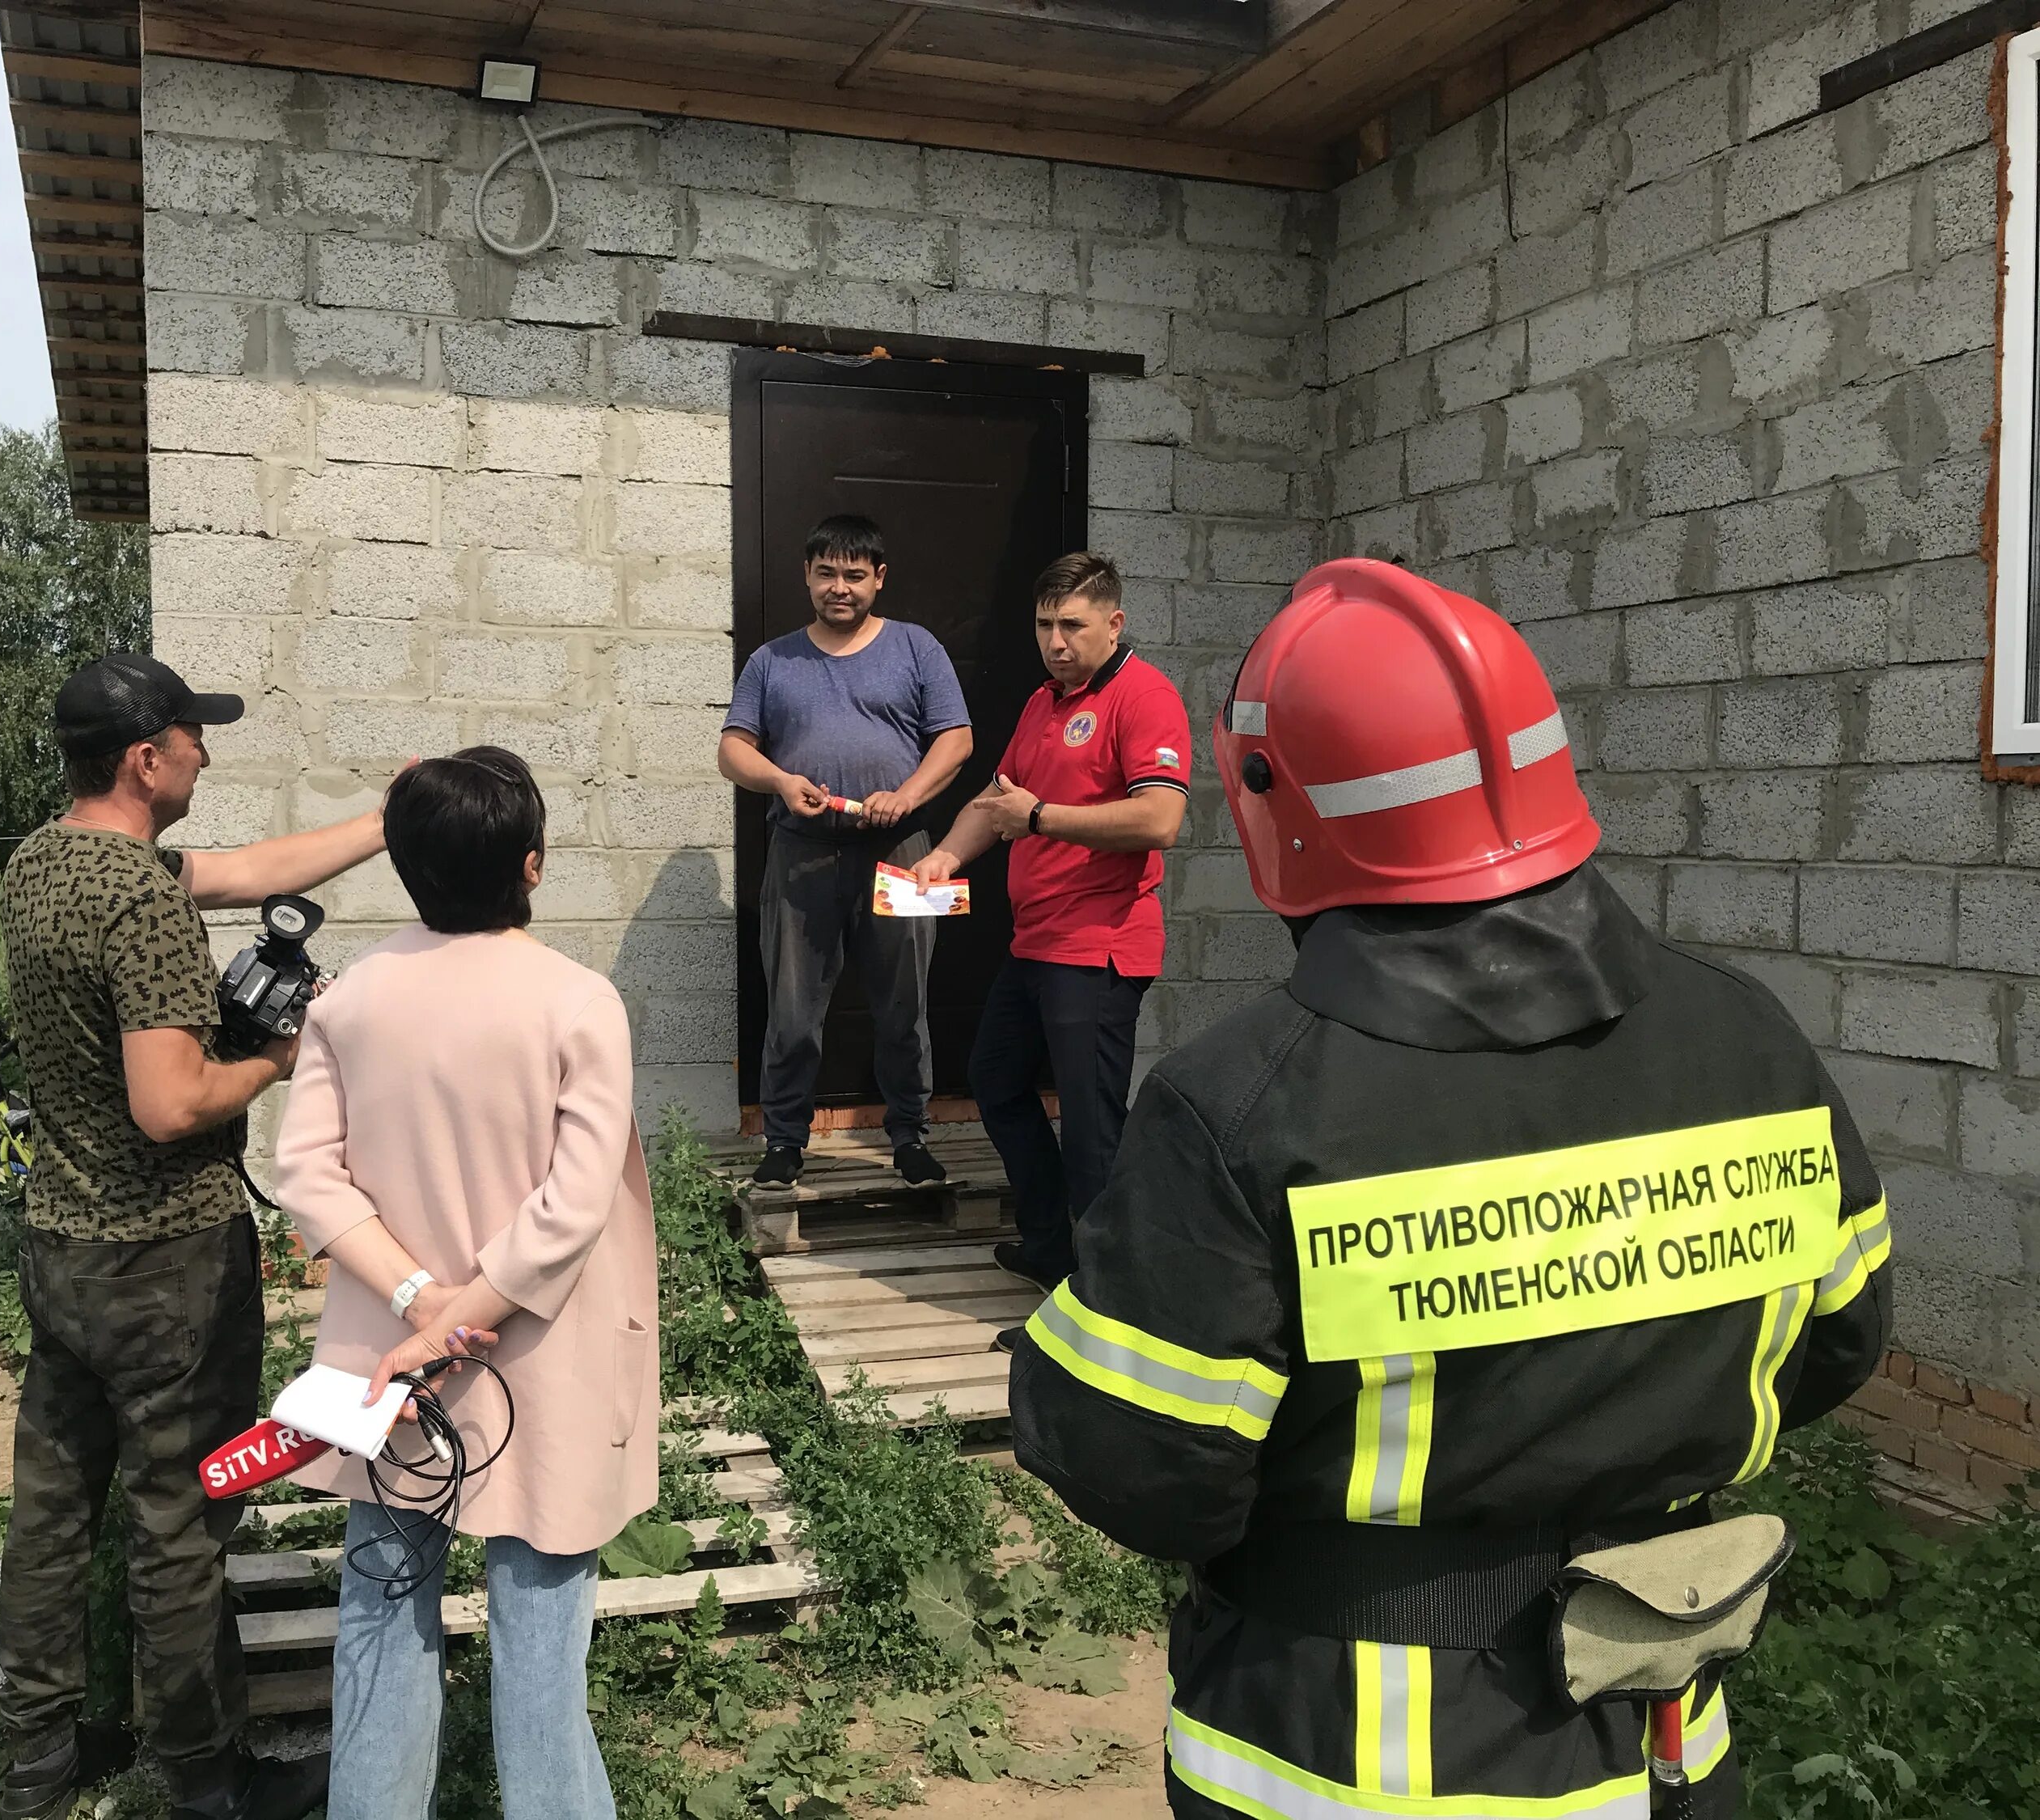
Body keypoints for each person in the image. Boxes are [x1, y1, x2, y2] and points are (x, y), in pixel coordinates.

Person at [1009, 559, 1893, 1820]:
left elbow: (1141, 1461)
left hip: (1344, 1757)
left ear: (1275, 800)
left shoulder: (1241, 1105)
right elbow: (1840, 1342)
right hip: (1662, 1742)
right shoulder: (1752, 1040)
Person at [0, 653, 395, 1820]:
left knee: (54, 1502)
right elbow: (170, 1104)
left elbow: (251, 870)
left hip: (59, 1245)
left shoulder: (43, 864)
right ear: (144, 757)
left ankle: (37, 1757)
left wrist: (387, 814)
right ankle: (206, 1777)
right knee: (182, 1519)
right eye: (193, 735)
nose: (205, 753)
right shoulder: (142, 902)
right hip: (163, 1259)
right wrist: (275, 1056)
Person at [274, 747, 658, 1820]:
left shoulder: (350, 1002)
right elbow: (572, 1205)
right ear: (532, 865)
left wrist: (413, 1300)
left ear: (401, 863)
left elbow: (306, 1169)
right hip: (540, 1351)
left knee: (383, 1598)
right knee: (542, 1622)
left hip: (386, 1360)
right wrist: (466, 1311)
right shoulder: (580, 1003)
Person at [912, 551, 1190, 1330]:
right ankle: (1049, 1245)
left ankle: (1103, 1305)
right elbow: (995, 800)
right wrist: (943, 857)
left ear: (1113, 622)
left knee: (1094, 1129)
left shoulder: (1145, 696)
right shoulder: (1044, 702)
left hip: (1098, 948)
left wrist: (1041, 818)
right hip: (1037, 945)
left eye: (1072, 625)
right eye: (1044, 625)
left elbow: (1159, 818)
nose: (1056, 641)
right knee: (995, 1083)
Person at [719, 513, 974, 1188]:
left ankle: (910, 1138)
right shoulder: (771, 662)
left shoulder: (917, 648)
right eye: (827, 573)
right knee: (794, 1011)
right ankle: (784, 1143)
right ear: (807, 575)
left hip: (901, 851)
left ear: (879, 578)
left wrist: (909, 794)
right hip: (802, 853)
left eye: (855, 575)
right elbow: (732, 751)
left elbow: (956, 740)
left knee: (903, 1007)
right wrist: (779, 779)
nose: (840, 587)